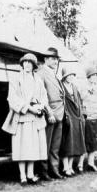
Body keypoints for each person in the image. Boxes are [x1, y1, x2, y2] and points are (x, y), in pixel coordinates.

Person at [2, 53, 48, 185]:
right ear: (22, 64)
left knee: (32, 147)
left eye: (30, 62)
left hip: (35, 119)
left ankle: (31, 174)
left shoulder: (38, 79)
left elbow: (44, 96)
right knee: (22, 148)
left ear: (34, 65)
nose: (27, 64)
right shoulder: (16, 78)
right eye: (25, 62)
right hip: (22, 117)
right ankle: (22, 176)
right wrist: (29, 108)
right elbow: (12, 99)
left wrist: (40, 106)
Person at [36, 47, 65, 180]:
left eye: (56, 59)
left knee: (55, 146)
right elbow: (41, 96)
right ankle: (44, 172)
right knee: (46, 145)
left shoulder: (53, 73)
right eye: (53, 59)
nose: (55, 61)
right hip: (50, 114)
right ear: (46, 59)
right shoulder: (41, 73)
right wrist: (49, 112)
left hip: (59, 113)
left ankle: (54, 170)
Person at [78, 67, 97, 172]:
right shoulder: (84, 87)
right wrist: (88, 92)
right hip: (88, 117)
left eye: (96, 76)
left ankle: (91, 162)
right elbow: (81, 99)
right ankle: (80, 164)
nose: (94, 78)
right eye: (92, 76)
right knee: (86, 141)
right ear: (88, 77)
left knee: (95, 141)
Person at [59, 67, 87, 177]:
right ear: (64, 76)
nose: (70, 77)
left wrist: (81, 116)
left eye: (72, 75)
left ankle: (70, 166)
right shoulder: (61, 87)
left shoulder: (74, 87)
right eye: (68, 75)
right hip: (66, 117)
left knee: (74, 143)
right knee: (66, 143)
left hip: (76, 117)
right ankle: (65, 167)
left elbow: (79, 102)